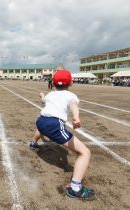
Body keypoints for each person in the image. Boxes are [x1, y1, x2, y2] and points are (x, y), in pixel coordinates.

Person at [29, 69, 95, 200]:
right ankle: (75, 188)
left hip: (41, 121)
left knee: (44, 128)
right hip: (54, 124)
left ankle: (33, 143)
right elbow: (74, 105)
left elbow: (43, 101)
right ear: (71, 83)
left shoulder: (50, 94)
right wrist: (76, 117)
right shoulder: (71, 95)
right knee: (85, 153)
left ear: (53, 84)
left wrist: (42, 96)